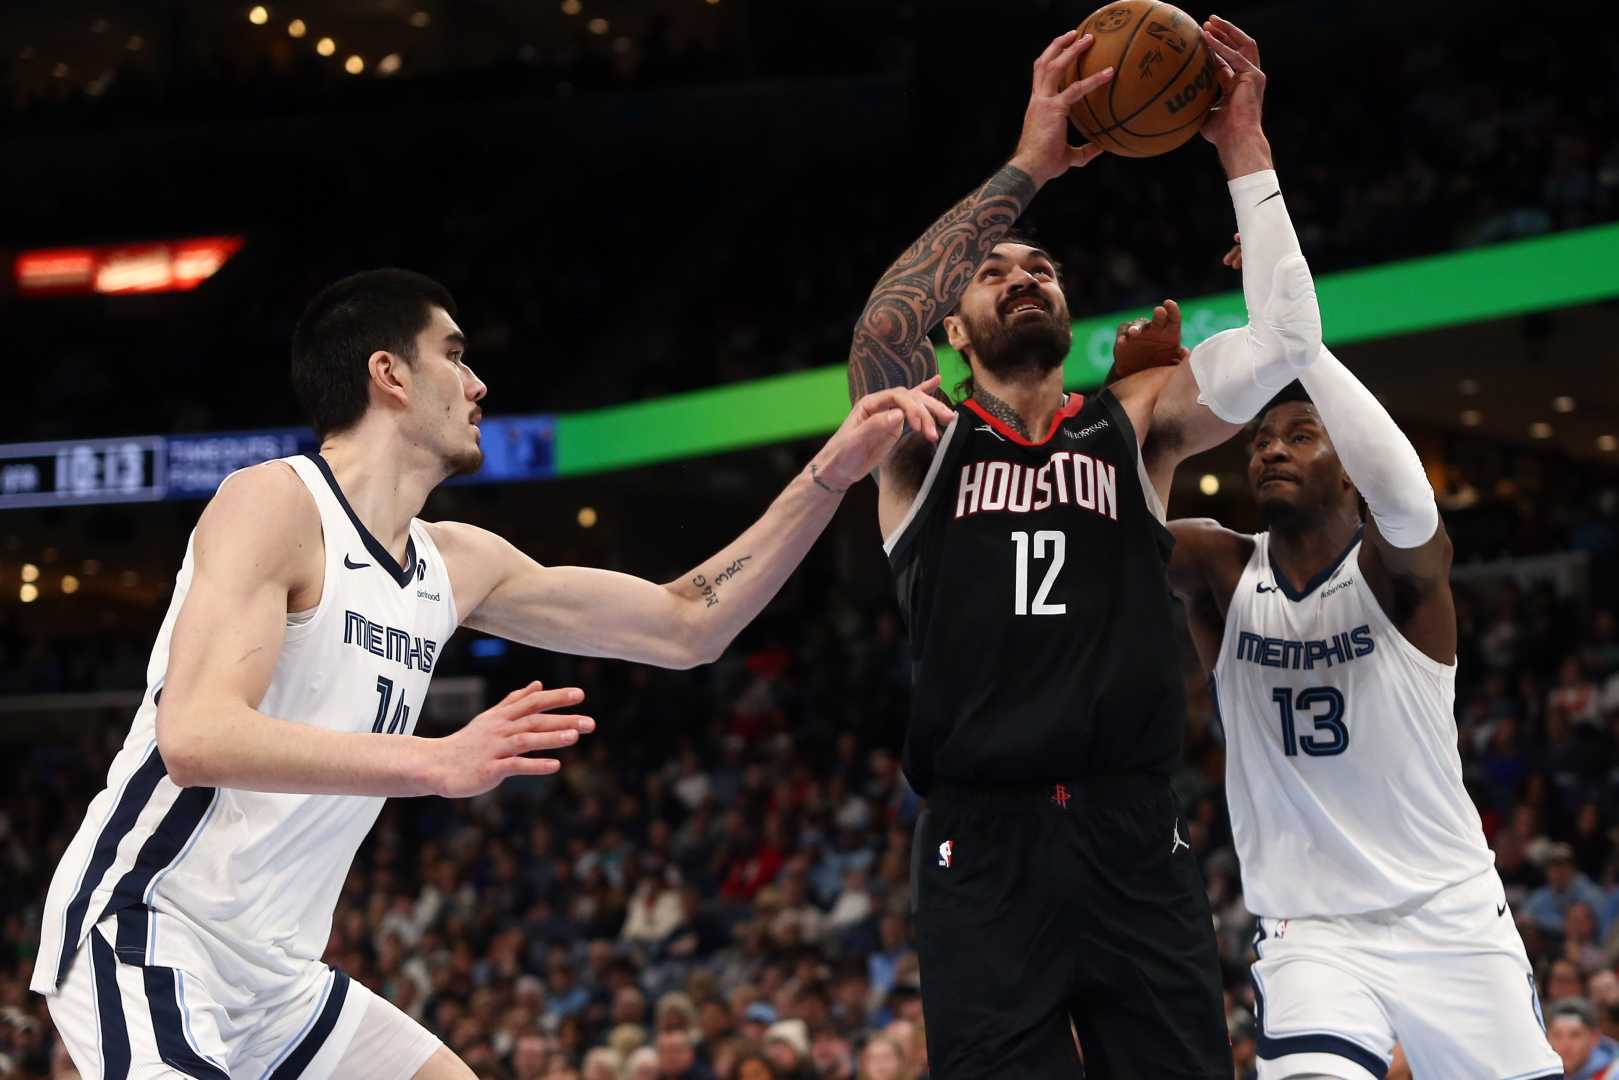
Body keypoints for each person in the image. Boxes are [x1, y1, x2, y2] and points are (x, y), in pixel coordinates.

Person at [31, 269, 953, 1079]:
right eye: (455, 356)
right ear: (387, 375)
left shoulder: (455, 562)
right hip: (149, 924)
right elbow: (195, 737)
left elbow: (687, 624)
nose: (479, 383)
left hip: (277, 974)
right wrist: (435, 762)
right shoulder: (274, 501)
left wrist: (829, 475)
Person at [847, 15, 1324, 1078]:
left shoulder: (1133, 418)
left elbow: (1288, 341)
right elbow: (880, 329)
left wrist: (1240, 146)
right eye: (993, 274)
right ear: (954, 332)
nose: (1023, 277)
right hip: (980, 843)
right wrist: (1028, 164)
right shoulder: (916, 438)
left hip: (1128, 831)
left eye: (1042, 268)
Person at [1163, 27, 1562, 1076]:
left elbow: (1404, 492)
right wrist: (1138, 413)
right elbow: (1100, 528)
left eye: (1298, 434)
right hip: (1310, 931)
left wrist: (1301, 343)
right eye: (1259, 438)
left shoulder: (1398, 580)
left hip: (1445, 914)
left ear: (1343, 464)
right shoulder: (1215, 564)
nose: (1272, 445)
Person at [1548, 999, 1619, 1080]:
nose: (1565, 1045)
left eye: (1575, 1035)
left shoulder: (1614, 1073)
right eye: (1557, 1035)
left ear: (1594, 1038)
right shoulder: (1538, 1073)